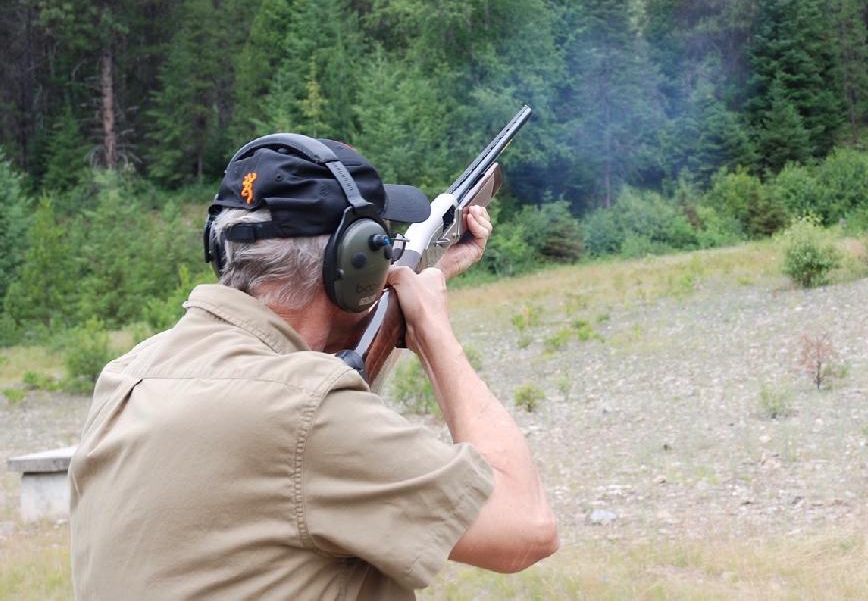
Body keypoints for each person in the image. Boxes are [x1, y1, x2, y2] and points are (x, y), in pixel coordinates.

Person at [68, 135, 558, 600]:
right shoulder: (303, 411)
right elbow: (525, 526)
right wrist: (432, 328)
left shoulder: (128, 375)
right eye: (381, 247)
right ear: (354, 261)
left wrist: (411, 288)